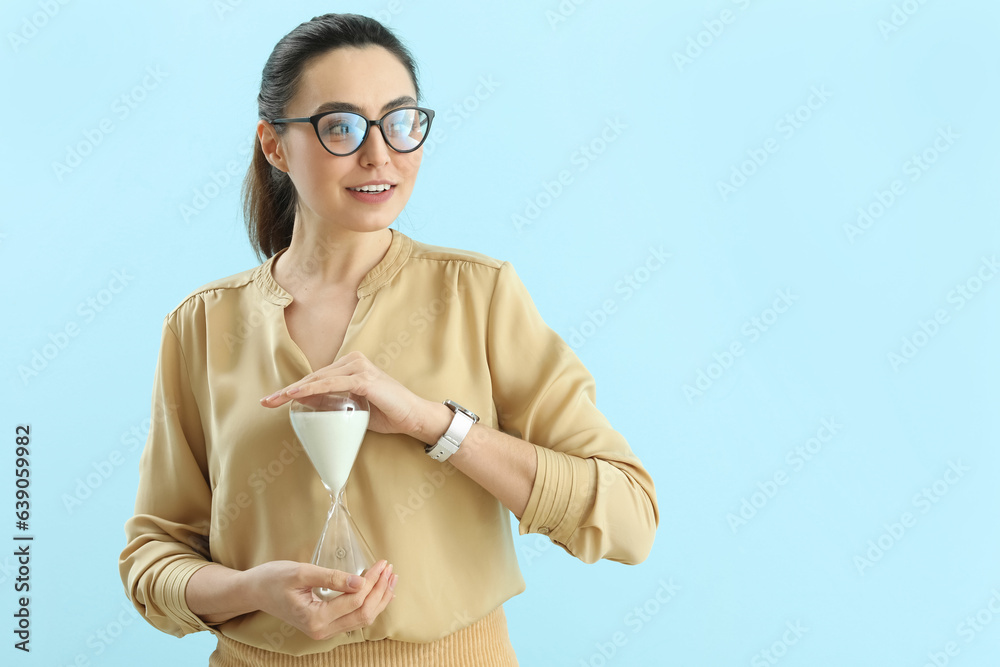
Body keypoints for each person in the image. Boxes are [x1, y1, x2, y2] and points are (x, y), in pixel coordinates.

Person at [118, 12, 658, 666]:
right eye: (340, 126)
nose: (379, 155)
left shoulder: (479, 296)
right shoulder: (200, 326)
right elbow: (153, 558)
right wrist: (248, 588)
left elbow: (628, 518)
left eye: (400, 122)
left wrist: (435, 424)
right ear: (274, 145)